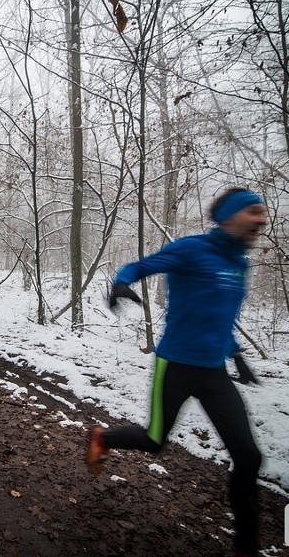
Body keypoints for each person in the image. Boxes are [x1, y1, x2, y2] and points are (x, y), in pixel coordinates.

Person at [87, 187, 267, 557]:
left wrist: (237, 355)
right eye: (253, 211)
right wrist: (122, 282)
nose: (261, 220)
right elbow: (140, 266)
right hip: (176, 365)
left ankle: (245, 546)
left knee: (249, 457)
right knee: (154, 441)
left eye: (262, 213)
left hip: (214, 372)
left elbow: (220, 317)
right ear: (229, 217)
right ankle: (102, 438)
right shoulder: (191, 249)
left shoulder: (240, 264)